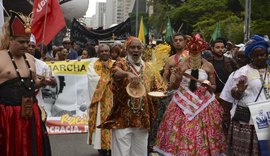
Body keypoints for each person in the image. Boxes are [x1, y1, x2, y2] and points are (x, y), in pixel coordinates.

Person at [154, 34, 226, 155]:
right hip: (181, 104)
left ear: (201, 51)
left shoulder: (209, 66)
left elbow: (214, 87)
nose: (194, 55)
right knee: (180, 132)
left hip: (204, 105)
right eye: (192, 52)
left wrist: (208, 86)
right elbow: (173, 86)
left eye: (197, 52)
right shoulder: (181, 65)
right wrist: (176, 77)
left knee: (205, 133)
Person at [99, 37, 166, 156]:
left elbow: (160, 87)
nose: (135, 50)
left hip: (142, 119)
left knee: (139, 153)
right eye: (132, 47)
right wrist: (127, 73)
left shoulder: (149, 67)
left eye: (138, 48)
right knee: (121, 153)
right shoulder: (121, 63)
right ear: (127, 49)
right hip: (122, 118)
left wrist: (159, 94)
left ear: (142, 50)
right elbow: (115, 72)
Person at [0, 11, 51, 155]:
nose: (25, 45)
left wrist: (41, 83)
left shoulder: (30, 59)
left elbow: (31, 83)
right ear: (10, 40)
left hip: (30, 114)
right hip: (7, 118)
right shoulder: (0, 58)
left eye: (27, 42)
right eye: (21, 42)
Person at [221, 35, 270, 155]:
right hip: (248, 120)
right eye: (256, 55)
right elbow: (232, 94)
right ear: (251, 57)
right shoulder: (243, 72)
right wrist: (239, 91)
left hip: (267, 119)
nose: (260, 57)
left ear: (267, 55)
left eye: (262, 54)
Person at [87, 44, 114, 156]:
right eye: (102, 51)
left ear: (110, 52)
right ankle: (101, 149)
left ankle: (113, 148)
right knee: (100, 124)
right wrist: (110, 78)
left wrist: (110, 71)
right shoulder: (93, 65)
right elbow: (92, 79)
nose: (104, 53)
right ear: (98, 53)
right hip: (100, 101)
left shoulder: (115, 64)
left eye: (106, 51)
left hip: (114, 100)